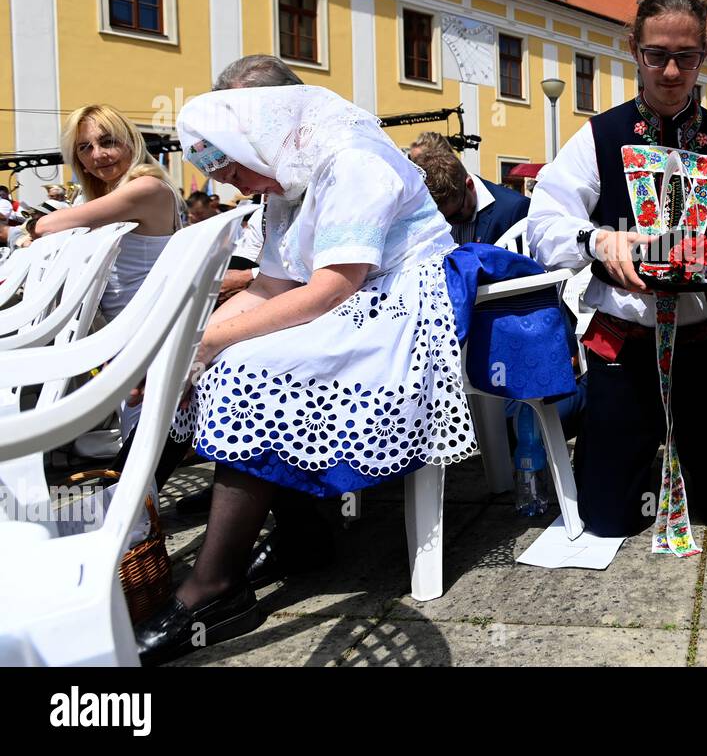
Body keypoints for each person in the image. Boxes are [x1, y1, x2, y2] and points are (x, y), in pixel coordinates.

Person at [135, 85, 553, 664]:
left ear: (252, 142)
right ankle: (299, 536)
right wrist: (184, 350)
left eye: (233, 168)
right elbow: (271, 285)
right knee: (222, 364)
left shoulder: (350, 160)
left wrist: (206, 343)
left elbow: (333, 285)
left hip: (399, 303)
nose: (233, 185)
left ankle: (216, 586)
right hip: (351, 298)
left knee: (245, 369)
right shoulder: (286, 174)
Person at [528, 0, 707, 547]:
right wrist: (595, 241)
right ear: (633, 50)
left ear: (703, 57)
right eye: (656, 54)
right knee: (608, 517)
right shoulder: (600, 135)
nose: (670, 71)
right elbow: (545, 222)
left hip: (706, 339)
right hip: (625, 338)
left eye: (685, 57)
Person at [28, 106, 185, 319]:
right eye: (85, 147)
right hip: (122, 324)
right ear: (80, 162)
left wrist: (29, 230)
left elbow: (44, 226)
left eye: (107, 142)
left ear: (131, 142)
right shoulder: (113, 193)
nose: (98, 154)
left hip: (142, 327)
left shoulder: (146, 187)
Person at [418, 136, 530, 245]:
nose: (449, 224)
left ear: (470, 185)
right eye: (442, 218)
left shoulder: (514, 209)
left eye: (455, 215)